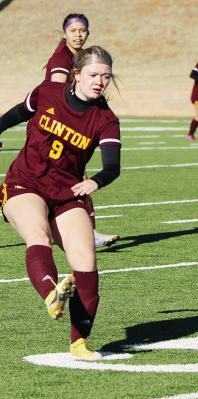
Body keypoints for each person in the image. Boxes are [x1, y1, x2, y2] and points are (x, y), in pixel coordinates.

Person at [0, 46, 121, 360]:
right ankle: (51, 294)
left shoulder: (106, 119)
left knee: (86, 264)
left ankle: (79, 343)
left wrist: (96, 180)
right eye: (94, 75)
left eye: (106, 77)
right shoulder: (47, 93)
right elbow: (15, 114)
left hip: (68, 193)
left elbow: (112, 166)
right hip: (24, 182)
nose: (100, 82)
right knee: (37, 235)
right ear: (77, 74)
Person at [45, 13, 119, 247]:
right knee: (47, 178)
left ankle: (88, 231)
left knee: (73, 176)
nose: (78, 35)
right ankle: (87, 232)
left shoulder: (80, 57)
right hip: (54, 127)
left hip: (64, 126)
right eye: (73, 30)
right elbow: (56, 93)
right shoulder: (62, 58)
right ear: (64, 32)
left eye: (82, 30)